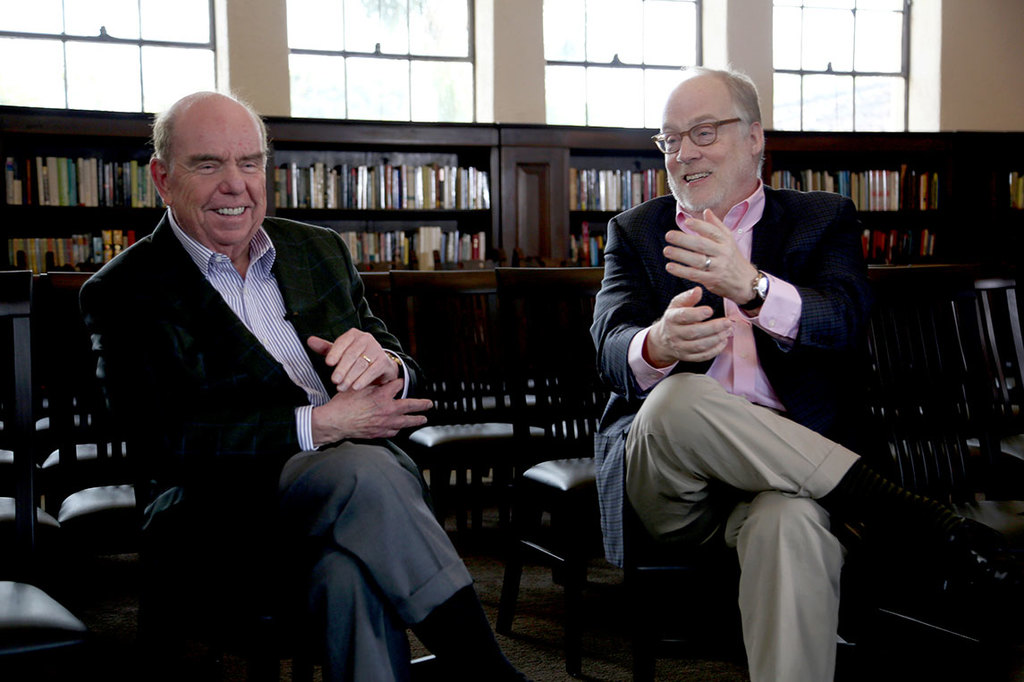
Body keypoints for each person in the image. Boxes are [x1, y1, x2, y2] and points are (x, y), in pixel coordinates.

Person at [80, 91, 526, 682]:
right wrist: (319, 425)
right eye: (208, 164)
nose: (235, 184)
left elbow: (401, 364)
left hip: (357, 497)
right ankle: (490, 675)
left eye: (250, 162)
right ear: (163, 179)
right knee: (363, 470)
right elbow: (161, 439)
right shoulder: (124, 290)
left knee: (348, 572)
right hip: (215, 511)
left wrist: (389, 367)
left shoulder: (316, 249)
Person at [590, 66, 1017, 682]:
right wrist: (655, 344)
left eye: (703, 133)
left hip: (791, 484)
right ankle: (908, 515)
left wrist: (754, 288)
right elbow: (608, 347)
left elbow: (843, 321)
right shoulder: (635, 231)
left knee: (788, 524)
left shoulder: (822, 218)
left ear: (754, 137)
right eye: (670, 140)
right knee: (679, 397)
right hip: (674, 488)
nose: (683, 154)